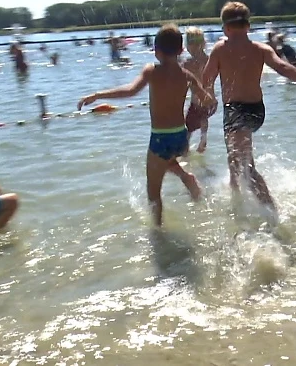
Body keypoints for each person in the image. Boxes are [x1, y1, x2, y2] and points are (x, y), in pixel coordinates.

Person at [202, 1, 296, 218]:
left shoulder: (220, 49)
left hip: (235, 111)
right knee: (235, 157)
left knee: (246, 165)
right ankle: (235, 195)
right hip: (256, 111)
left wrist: (209, 99)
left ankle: (272, 212)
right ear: (249, 26)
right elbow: (284, 68)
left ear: (225, 28)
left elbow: (206, 80)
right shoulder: (261, 49)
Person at [77, 24, 216, 226]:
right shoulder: (187, 75)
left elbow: (130, 91)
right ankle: (187, 178)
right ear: (181, 50)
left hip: (160, 137)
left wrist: (98, 95)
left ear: (156, 51)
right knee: (167, 159)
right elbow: (207, 100)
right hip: (180, 136)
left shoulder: (151, 70)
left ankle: (158, 233)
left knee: (153, 193)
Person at [183, 27, 210, 153]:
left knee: (187, 130)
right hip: (210, 99)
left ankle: (185, 153)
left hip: (196, 100)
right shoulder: (209, 59)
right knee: (203, 116)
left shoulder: (188, 63)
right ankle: (203, 137)